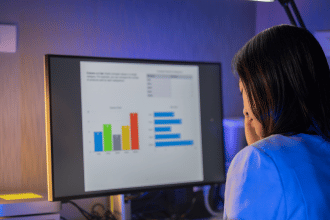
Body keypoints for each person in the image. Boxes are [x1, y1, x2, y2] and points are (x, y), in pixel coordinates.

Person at [223, 24, 330, 219]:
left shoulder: (260, 161)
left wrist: (259, 151)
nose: (245, 109)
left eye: (243, 91)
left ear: (265, 92)